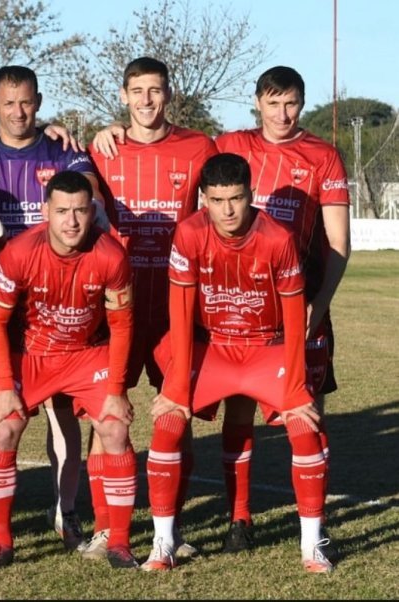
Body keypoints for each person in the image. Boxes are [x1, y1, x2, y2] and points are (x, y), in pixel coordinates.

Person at [142, 152, 330, 573]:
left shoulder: (277, 239)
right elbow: (180, 310)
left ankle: (313, 546)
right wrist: (175, 389)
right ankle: (163, 545)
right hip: (214, 347)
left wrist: (297, 389)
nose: (227, 210)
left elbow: (296, 318)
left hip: (266, 347)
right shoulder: (188, 234)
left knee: (304, 426)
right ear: (203, 199)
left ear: (251, 195)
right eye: (217, 199)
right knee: (168, 422)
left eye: (237, 198)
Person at [0, 65, 103, 553]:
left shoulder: (61, 149)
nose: (19, 112)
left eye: (27, 102)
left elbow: (89, 193)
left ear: (39, 101)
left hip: (55, 303)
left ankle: (67, 510)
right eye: (9, 102)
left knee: (63, 413)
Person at [212, 67, 350, 552]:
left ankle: (316, 522)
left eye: (290, 103)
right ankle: (240, 519)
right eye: (272, 103)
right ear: (256, 103)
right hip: (240, 309)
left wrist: (321, 304)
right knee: (240, 406)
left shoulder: (322, 155)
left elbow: (337, 243)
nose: (281, 113)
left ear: (302, 102)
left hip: (304, 305)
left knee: (309, 413)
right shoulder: (230, 143)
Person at [85, 56, 218, 560]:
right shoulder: (103, 149)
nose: (145, 100)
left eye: (155, 90)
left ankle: (172, 526)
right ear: (122, 96)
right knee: (105, 415)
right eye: (136, 91)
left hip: (174, 305)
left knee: (175, 413)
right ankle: (104, 527)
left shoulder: (198, 146)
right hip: (115, 303)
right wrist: (82, 131)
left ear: (169, 94)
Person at [0, 170, 139, 570]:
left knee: (115, 427)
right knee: (4, 427)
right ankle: (2, 543)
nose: (71, 221)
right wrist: (3, 385)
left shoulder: (111, 256)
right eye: (63, 211)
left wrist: (117, 390)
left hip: (86, 354)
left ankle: (119, 542)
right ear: (45, 210)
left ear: (92, 212)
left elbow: (121, 325)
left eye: (81, 211)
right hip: (32, 354)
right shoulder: (18, 251)